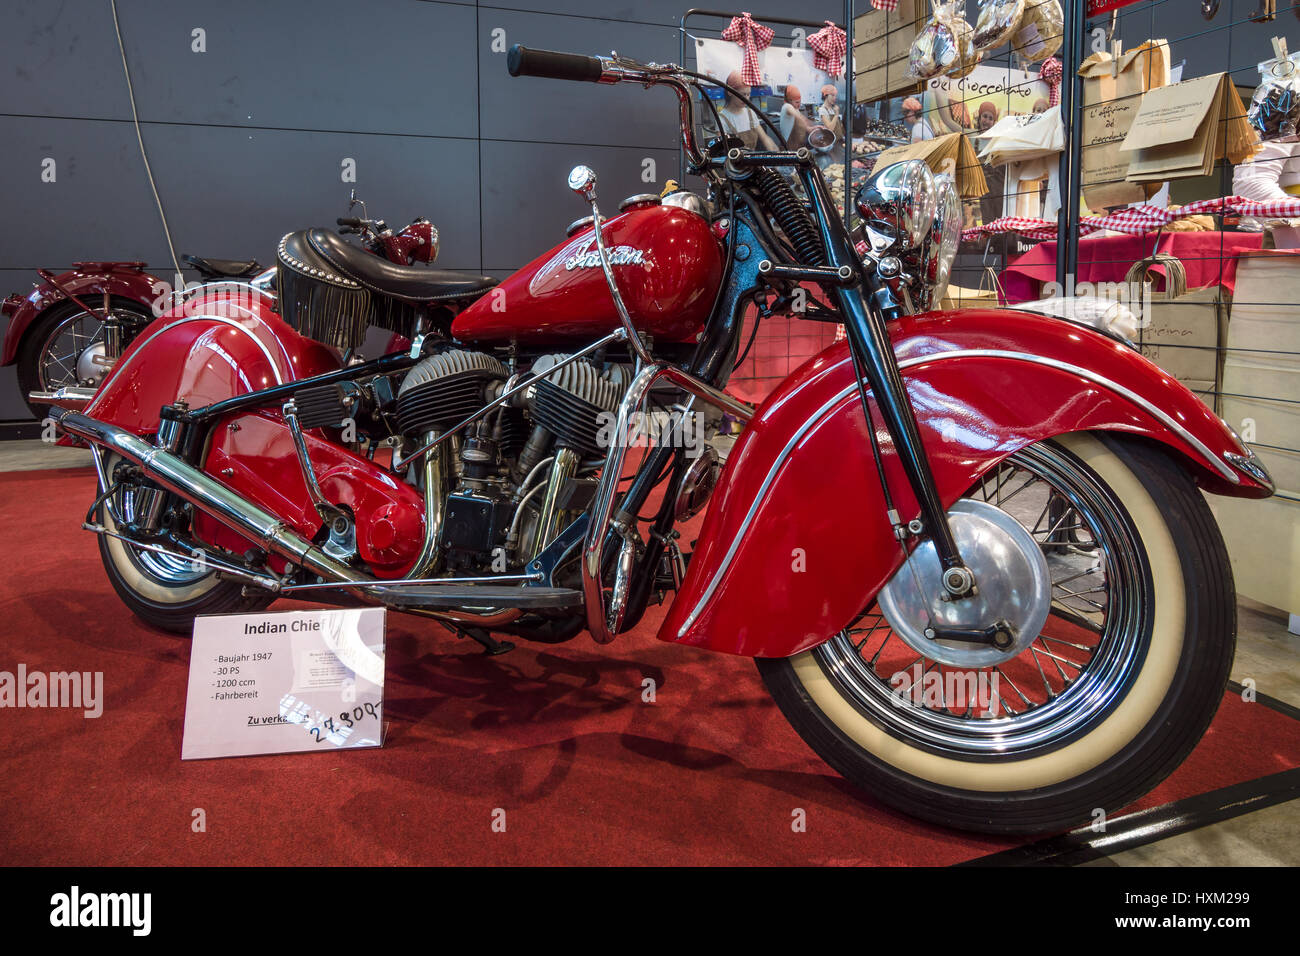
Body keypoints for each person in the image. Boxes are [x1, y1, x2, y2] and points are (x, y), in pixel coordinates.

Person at [717, 70, 777, 149]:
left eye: (748, 94)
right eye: (743, 94)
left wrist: (777, 153)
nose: (746, 98)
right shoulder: (722, 118)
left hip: (751, 160)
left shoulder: (750, 114)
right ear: (730, 92)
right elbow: (723, 149)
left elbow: (765, 138)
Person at [779, 85, 812, 149]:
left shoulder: (795, 109)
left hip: (797, 147)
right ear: (789, 100)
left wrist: (810, 128)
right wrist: (808, 125)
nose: (799, 104)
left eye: (800, 101)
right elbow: (798, 117)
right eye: (797, 102)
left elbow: (801, 122)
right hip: (788, 147)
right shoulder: (787, 106)